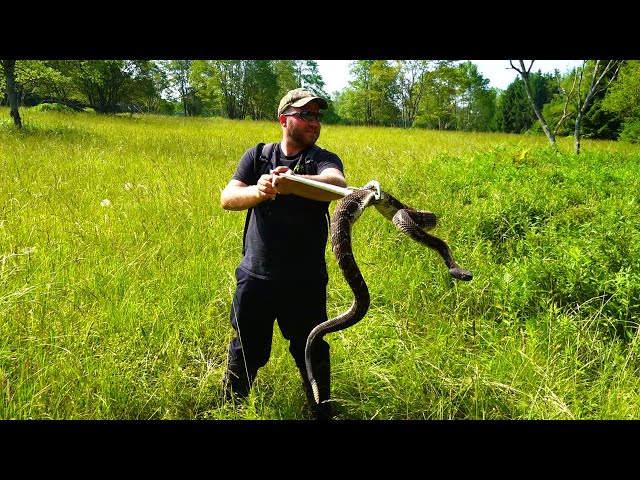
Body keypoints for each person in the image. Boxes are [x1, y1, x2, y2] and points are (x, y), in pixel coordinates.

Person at [220, 88, 347, 420]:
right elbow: (228, 197)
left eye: (317, 116)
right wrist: (258, 191)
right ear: (284, 119)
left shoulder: (322, 159)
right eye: (306, 115)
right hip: (256, 276)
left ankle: (321, 413)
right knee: (246, 349)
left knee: (312, 349)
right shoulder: (258, 156)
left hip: (304, 280)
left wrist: (294, 182)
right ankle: (231, 409)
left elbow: (336, 185)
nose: (314, 122)